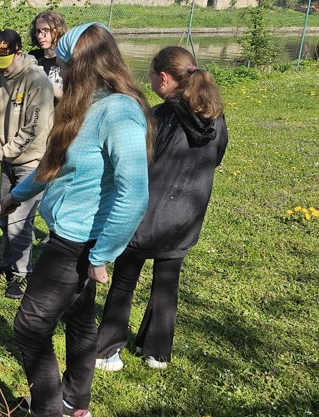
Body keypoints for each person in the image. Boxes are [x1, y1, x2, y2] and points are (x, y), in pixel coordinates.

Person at [0, 23, 153, 417]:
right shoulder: (87, 105)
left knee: (30, 327)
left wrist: (102, 255)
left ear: (83, 64)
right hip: (71, 235)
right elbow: (53, 163)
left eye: (62, 66)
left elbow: (134, 193)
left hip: (78, 243)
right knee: (79, 317)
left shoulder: (119, 112)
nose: (57, 74)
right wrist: (16, 195)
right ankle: (74, 398)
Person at [96, 47, 227, 371]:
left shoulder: (158, 117)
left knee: (124, 281)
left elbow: (135, 163)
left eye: (152, 75)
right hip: (186, 217)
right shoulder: (216, 117)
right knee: (167, 283)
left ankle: (108, 351)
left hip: (146, 216)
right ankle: (156, 352)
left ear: (164, 78)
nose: (151, 80)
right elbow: (217, 157)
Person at [0, 29, 55, 300]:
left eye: (4, 63)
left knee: (19, 220)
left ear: (18, 54)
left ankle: (22, 274)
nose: (0, 69)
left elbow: (34, 130)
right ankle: (8, 267)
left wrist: (1, 153)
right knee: (5, 214)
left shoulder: (37, 81)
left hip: (34, 161)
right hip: (7, 160)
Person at [28, 10, 66, 101]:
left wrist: (48, 84)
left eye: (46, 30)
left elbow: (74, 98)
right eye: (38, 31)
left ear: (58, 31)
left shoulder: (67, 59)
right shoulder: (33, 57)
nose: (40, 36)